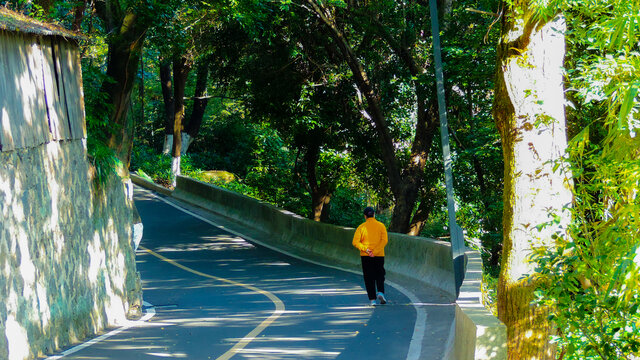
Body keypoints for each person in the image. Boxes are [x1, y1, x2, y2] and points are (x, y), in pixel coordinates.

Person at [352, 206, 388, 306]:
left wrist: (367, 250)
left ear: (365, 216)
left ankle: (372, 300)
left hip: (366, 256)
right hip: (379, 255)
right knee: (380, 274)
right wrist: (375, 251)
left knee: (368, 277)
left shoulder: (361, 227)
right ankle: (380, 292)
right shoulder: (381, 226)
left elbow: (355, 242)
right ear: (374, 215)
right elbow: (384, 240)